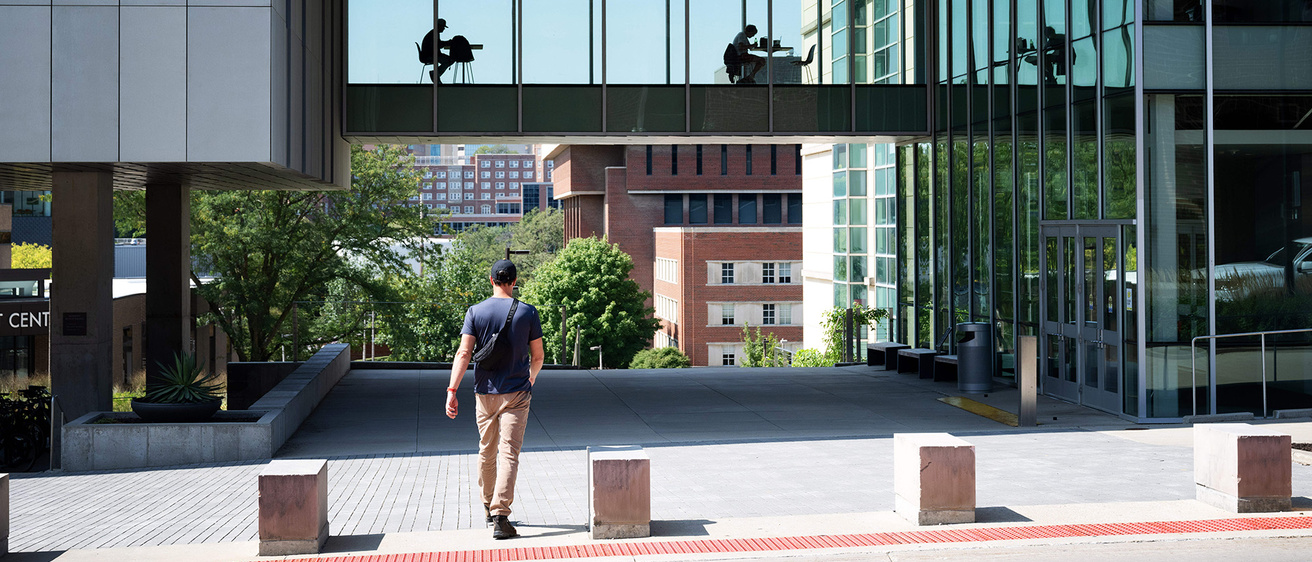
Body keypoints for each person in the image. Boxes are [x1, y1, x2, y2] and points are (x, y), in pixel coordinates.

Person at [446, 259, 544, 540]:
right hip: (516, 392)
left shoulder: (475, 312)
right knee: (509, 452)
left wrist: (452, 391)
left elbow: (464, 354)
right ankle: (502, 517)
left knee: (486, 449)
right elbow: (538, 357)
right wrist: (531, 376)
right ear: (514, 282)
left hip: (484, 392)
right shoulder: (527, 312)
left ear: (491, 280)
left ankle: (488, 507)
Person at [420, 19, 455, 83]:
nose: (444, 29)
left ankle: (436, 74)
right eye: (443, 27)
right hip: (430, 55)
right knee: (450, 60)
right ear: (439, 26)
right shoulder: (434, 34)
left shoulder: (433, 33)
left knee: (449, 60)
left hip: (430, 54)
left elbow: (438, 44)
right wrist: (448, 42)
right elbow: (438, 45)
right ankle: (436, 74)